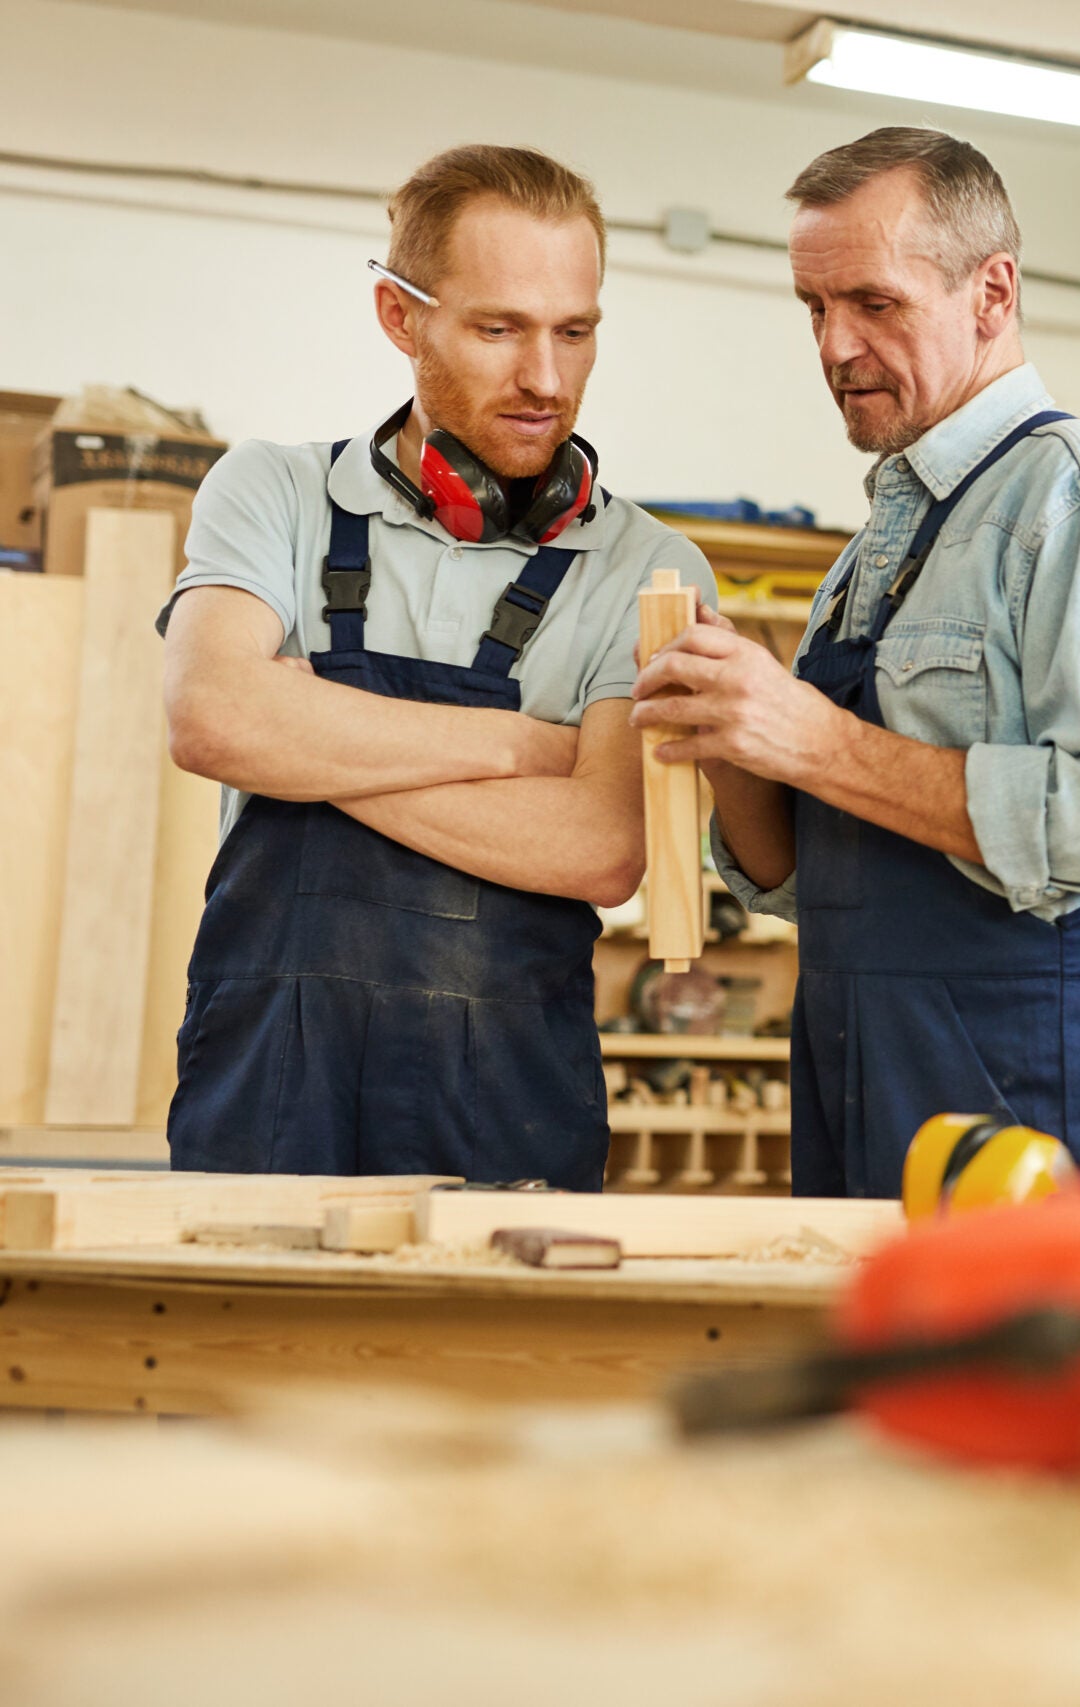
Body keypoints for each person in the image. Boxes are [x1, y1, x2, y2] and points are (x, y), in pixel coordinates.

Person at [632, 127, 1080, 1198]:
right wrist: (729, 741)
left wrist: (816, 738)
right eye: (814, 308)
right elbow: (804, 883)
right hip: (862, 1067)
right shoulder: (869, 555)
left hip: (1034, 1088)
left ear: (991, 295)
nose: (834, 346)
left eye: (874, 304)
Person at [159, 144, 715, 1187]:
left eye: (575, 332)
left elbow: (600, 847)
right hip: (269, 1085)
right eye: (498, 328)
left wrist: (310, 737)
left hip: (506, 1111)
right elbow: (215, 721)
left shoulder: (651, 572)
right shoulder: (272, 493)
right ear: (399, 317)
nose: (545, 378)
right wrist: (514, 747)